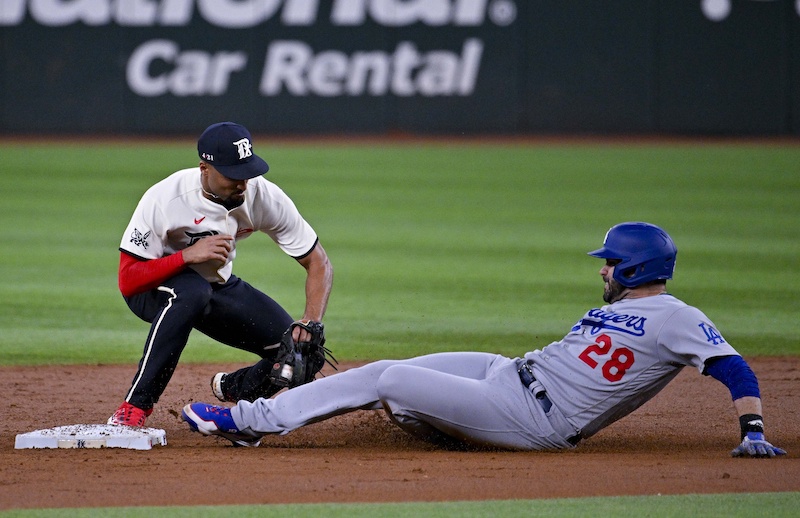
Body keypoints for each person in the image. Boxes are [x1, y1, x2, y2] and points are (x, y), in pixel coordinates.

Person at [181, 222, 784, 457]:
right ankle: (443, 426)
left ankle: (251, 420)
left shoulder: (677, 318)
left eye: (609, 262)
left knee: (388, 378)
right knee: (403, 375)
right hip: (508, 375)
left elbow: (734, 369)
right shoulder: (628, 306)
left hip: (537, 420)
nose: (602, 269)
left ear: (630, 269)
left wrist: (753, 431)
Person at [108, 121, 333, 427]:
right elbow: (129, 279)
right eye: (232, 175)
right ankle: (134, 407)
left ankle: (236, 388)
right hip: (154, 290)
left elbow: (319, 263)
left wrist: (311, 320)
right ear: (204, 169)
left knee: (303, 353)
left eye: (247, 172)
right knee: (191, 291)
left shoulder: (263, 197)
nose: (242, 183)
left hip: (216, 288)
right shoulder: (166, 198)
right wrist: (186, 256)